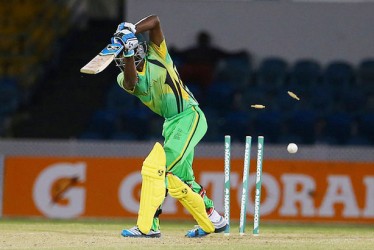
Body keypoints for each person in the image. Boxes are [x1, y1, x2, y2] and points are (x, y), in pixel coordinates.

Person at [112, 15, 227, 238]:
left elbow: (155, 21)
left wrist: (131, 29)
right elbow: (130, 81)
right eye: (122, 57)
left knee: (159, 169)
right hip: (171, 126)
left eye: (127, 54)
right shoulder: (125, 78)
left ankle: (149, 226)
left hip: (189, 116)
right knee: (182, 179)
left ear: (140, 50)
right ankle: (214, 219)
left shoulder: (158, 53)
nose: (124, 60)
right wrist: (127, 51)